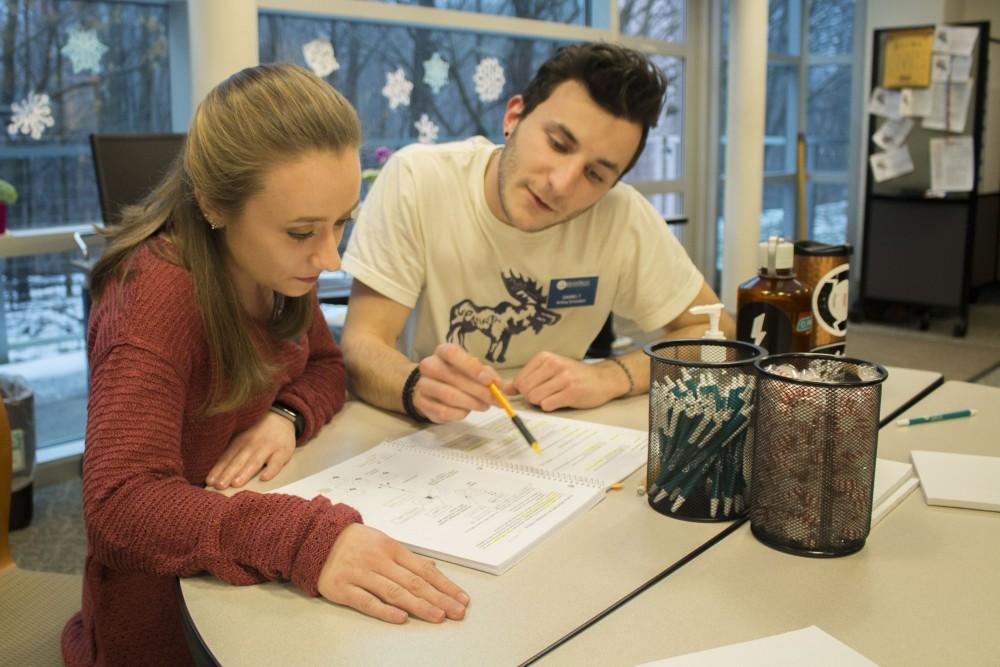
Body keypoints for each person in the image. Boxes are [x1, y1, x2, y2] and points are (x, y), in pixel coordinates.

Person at [62, 64, 468, 667]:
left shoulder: (275, 265)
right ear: (213, 205)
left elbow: (328, 367)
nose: (329, 257)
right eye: (303, 230)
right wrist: (308, 539)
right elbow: (117, 506)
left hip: (244, 577)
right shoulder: (153, 299)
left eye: (341, 223)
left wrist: (284, 415)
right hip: (162, 627)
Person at [341, 43, 736, 424]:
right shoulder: (418, 178)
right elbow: (362, 345)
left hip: (559, 436)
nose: (562, 185)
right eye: (558, 144)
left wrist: (611, 376)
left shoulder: (622, 215)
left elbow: (717, 335)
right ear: (513, 116)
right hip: (426, 433)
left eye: (595, 174)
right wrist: (415, 385)